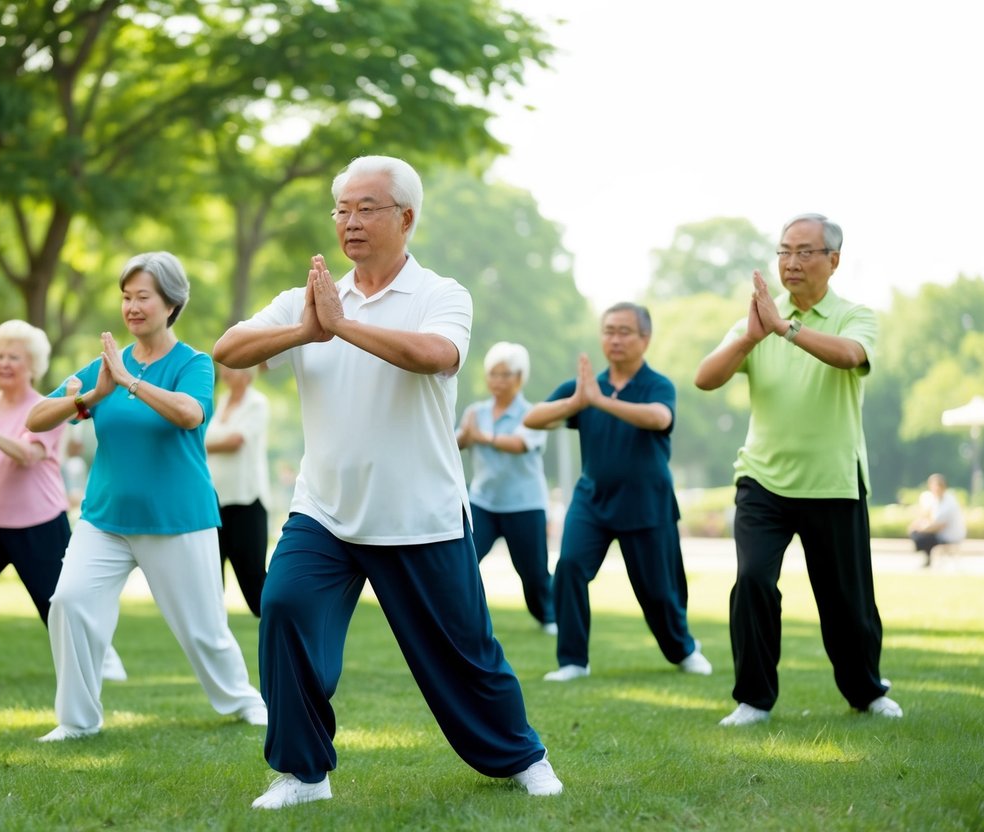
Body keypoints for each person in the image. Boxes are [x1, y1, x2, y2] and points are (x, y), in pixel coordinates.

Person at [215, 155, 562, 810]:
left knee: (464, 653)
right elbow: (227, 349)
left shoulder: (440, 294)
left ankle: (523, 757)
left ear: (405, 217)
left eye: (364, 208)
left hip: (418, 511)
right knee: (285, 609)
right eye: (341, 208)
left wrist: (343, 327)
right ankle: (303, 774)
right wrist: (308, 327)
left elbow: (437, 357)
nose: (349, 221)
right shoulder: (307, 301)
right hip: (323, 510)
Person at [26, 252, 266, 742]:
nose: (132, 307)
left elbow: (190, 415)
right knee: (69, 602)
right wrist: (92, 396)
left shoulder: (193, 363)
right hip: (105, 519)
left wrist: (130, 382)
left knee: (204, 630)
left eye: (143, 297)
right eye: (126, 298)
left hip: (178, 518)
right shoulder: (103, 368)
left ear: (172, 303)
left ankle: (244, 701)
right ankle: (77, 720)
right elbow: (34, 419)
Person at [694, 212, 902, 726]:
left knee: (847, 602)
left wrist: (786, 329)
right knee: (753, 582)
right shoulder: (757, 320)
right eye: (784, 250)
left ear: (833, 260)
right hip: (763, 480)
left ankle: (867, 691)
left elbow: (851, 356)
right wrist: (750, 336)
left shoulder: (856, 315)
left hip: (833, 481)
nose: (791, 262)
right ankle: (754, 699)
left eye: (805, 251)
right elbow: (705, 378)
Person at [0, 320, 123, 687]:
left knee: (59, 603)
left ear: (32, 365)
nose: (4, 362)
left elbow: (28, 455)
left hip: (39, 521)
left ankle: (103, 652)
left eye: (14, 356)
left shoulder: (49, 407)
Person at [524, 304, 711, 682]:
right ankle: (573, 660)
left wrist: (599, 401)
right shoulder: (586, 387)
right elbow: (532, 418)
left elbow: (660, 417)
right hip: (592, 501)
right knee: (570, 567)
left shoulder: (657, 384)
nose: (615, 338)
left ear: (645, 338)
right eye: (609, 330)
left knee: (658, 592)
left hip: (647, 504)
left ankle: (684, 649)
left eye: (625, 331)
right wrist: (577, 402)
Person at [457, 341, 556, 635]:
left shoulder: (533, 413)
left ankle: (549, 616)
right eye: (493, 374)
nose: (498, 381)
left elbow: (520, 444)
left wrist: (481, 437)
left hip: (524, 505)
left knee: (533, 572)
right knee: (464, 560)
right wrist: (465, 436)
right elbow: (458, 441)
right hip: (483, 502)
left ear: (520, 378)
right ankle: (463, 617)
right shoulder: (477, 412)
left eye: (505, 375)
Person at [204, 364, 271, 617]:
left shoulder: (257, 403)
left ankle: (283, 626)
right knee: (211, 576)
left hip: (246, 500)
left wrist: (199, 445)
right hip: (216, 501)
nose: (226, 371)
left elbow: (235, 441)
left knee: (253, 577)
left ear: (247, 373)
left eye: (233, 367)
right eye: (224, 367)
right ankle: (212, 629)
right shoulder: (220, 402)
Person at [908, 474, 966, 567]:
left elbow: (938, 526)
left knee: (919, 537)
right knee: (917, 533)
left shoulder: (948, 503)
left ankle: (928, 559)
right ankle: (928, 559)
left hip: (949, 536)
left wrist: (920, 529)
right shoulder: (938, 500)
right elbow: (928, 517)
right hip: (941, 533)